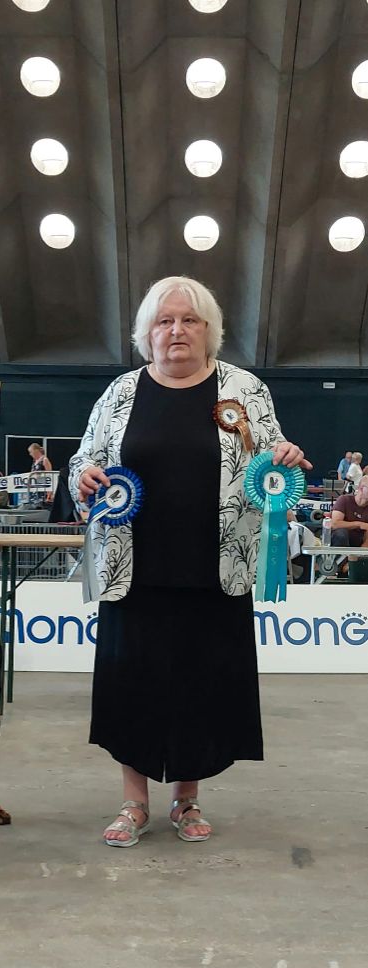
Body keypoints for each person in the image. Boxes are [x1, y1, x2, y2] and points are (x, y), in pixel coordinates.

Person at [69, 276, 310, 847]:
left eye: (190, 321)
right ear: (145, 334)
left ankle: (186, 800)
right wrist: (81, 477)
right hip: (134, 569)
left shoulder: (243, 389)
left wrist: (286, 456)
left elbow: (272, 456)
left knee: (200, 684)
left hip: (215, 568)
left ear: (210, 332)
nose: (176, 331)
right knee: (133, 681)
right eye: (164, 321)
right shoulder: (120, 393)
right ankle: (133, 803)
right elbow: (85, 459)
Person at [328, 475, 368, 582]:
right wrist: (359, 524)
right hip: (339, 541)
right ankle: (339, 566)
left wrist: (355, 559)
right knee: (341, 533)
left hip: (358, 545)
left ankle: (352, 566)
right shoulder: (344, 500)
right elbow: (335, 524)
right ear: (361, 488)